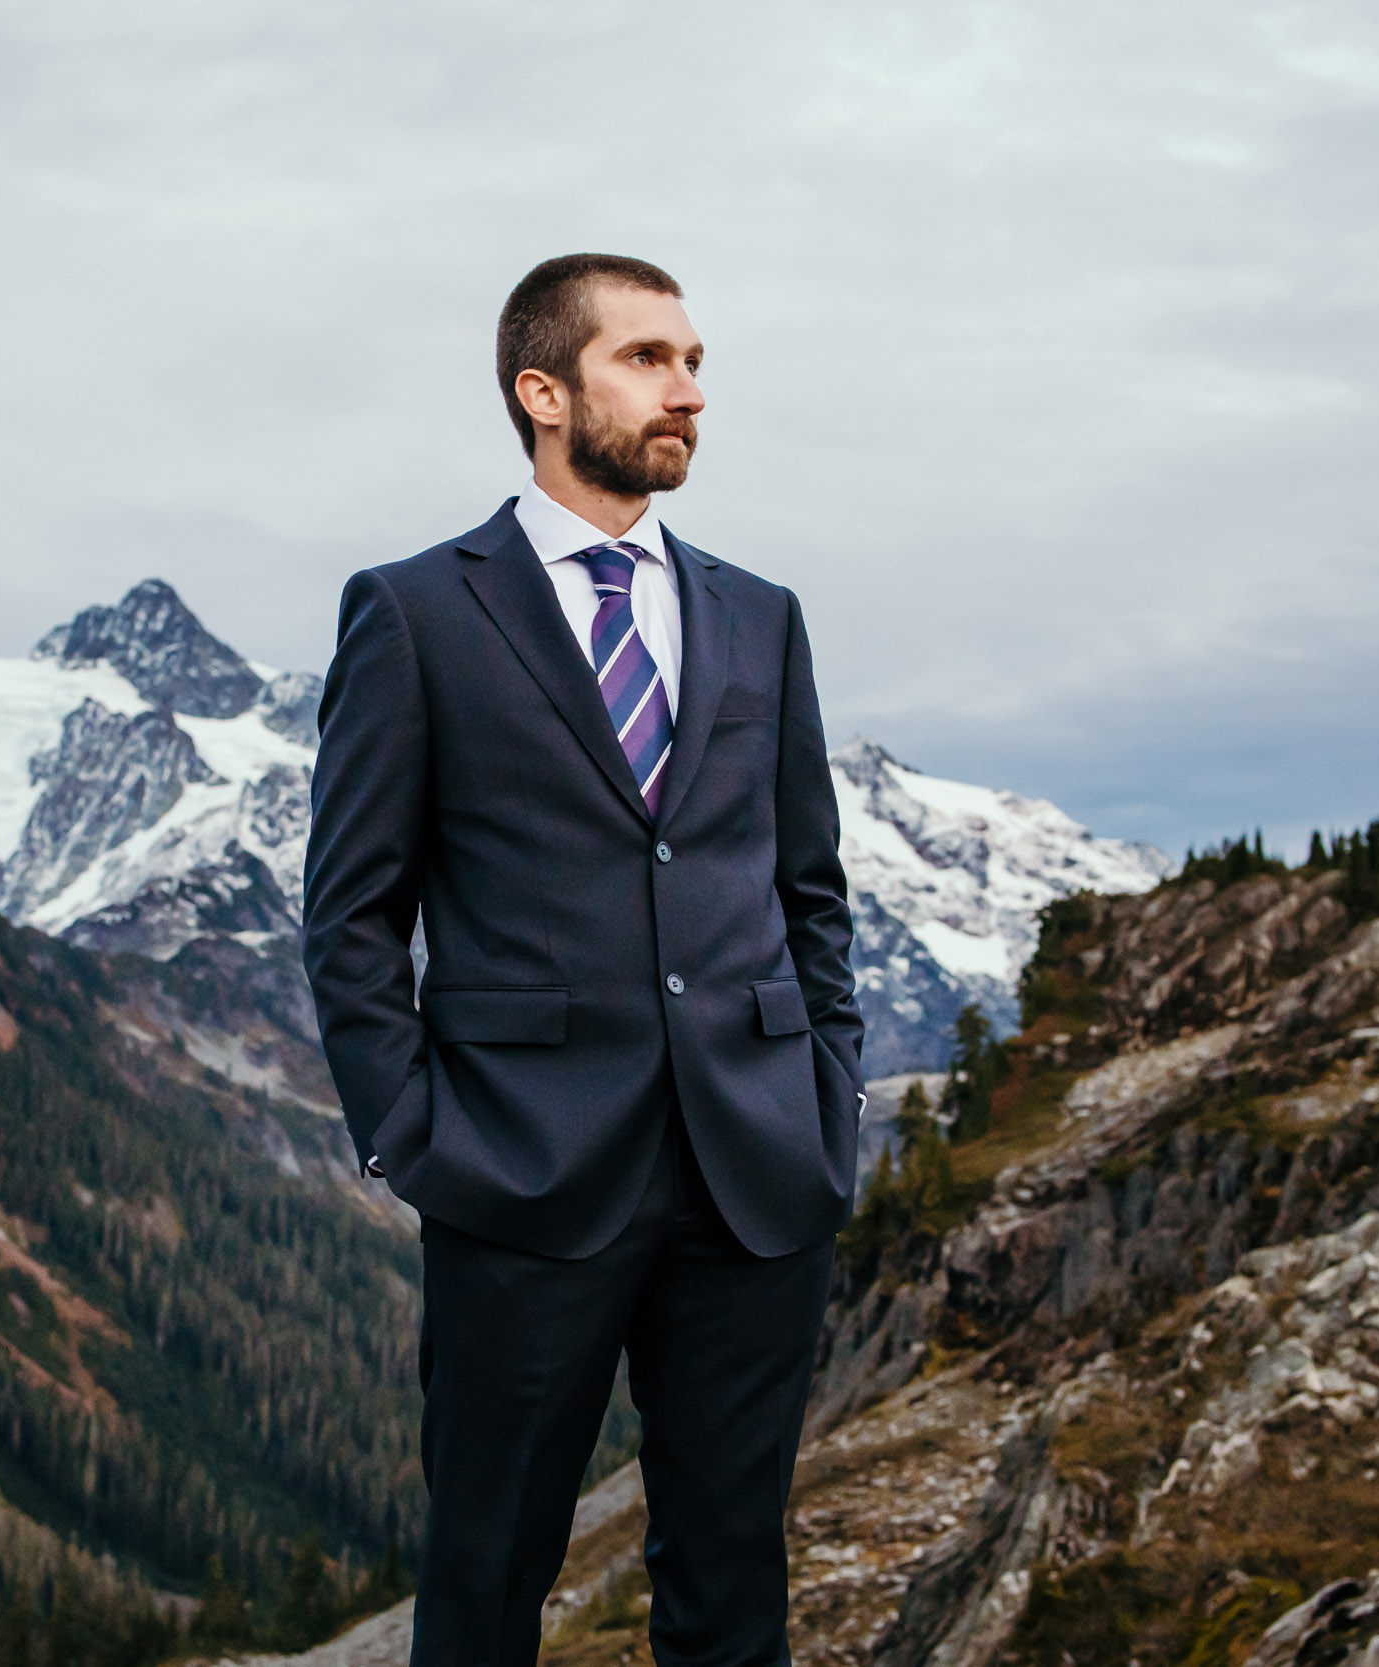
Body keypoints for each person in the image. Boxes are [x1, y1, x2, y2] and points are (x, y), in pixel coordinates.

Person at [300, 253, 865, 1667]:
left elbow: (809, 889)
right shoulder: (419, 611)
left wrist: (826, 1108)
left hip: (752, 1177)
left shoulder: (761, 615)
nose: (686, 392)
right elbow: (352, 914)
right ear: (541, 393)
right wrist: (413, 1141)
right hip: (520, 1175)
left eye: (693, 362)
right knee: (487, 1581)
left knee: (733, 1582)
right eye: (647, 360)